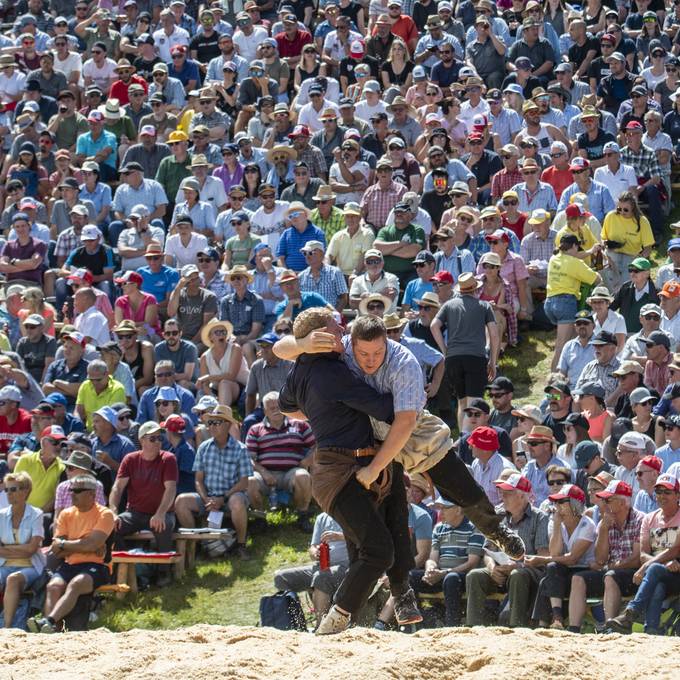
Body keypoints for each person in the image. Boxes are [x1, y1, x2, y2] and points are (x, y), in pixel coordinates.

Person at [465, 474, 550, 629]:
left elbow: (543, 555)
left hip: (529, 572)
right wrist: (492, 569)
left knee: (518, 575)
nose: (502, 496)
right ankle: (473, 626)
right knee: (474, 576)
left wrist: (518, 565)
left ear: (522, 496)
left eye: (508, 493)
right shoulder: (499, 516)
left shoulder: (540, 518)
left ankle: (516, 627)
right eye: (502, 492)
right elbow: (488, 551)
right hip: (502, 570)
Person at [174, 405, 253, 560]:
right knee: (181, 501)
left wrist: (223, 498)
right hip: (208, 498)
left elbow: (244, 483)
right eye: (210, 423)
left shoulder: (241, 449)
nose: (211, 427)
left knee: (237, 501)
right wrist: (207, 500)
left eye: (216, 423)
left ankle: (241, 544)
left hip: (230, 497)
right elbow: (198, 480)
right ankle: (195, 545)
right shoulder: (203, 448)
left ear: (227, 425)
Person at [607, 473, 680, 634]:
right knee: (657, 582)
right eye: (659, 492)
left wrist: (648, 565)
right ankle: (651, 631)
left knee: (653, 571)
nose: (662, 496)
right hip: (661, 573)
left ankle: (630, 614)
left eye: (667, 492)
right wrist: (661, 563)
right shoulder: (649, 519)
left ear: (677, 495)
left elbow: (676, 549)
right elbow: (643, 554)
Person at [567, 479, 643, 633]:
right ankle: (573, 629)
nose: (604, 503)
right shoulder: (606, 522)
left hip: (633, 574)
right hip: (612, 571)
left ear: (623, 503)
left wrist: (611, 566)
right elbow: (600, 559)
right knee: (578, 578)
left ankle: (611, 627)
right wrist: (603, 530)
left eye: (608, 500)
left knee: (610, 575)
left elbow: (636, 558)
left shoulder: (640, 519)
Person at [109, 421, 178, 586]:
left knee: (163, 524)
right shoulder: (130, 459)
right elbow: (118, 487)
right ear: (142, 440)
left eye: (160, 438)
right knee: (111, 525)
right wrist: (112, 511)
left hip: (162, 512)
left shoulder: (168, 458)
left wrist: (160, 513)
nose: (158, 442)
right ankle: (125, 566)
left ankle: (164, 572)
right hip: (135, 512)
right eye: (152, 438)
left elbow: (171, 489)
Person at [430, 273, 499, 430]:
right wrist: (493, 362)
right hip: (475, 357)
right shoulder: (484, 306)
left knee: (462, 401)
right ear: (475, 289)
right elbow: (494, 334)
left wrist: (445, 350)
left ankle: (463, 438)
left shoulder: (448, 305)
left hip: (453, 358)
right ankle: (472, 439)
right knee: (474, 403)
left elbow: (434, 326)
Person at [530, 483, 597, 629]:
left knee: (547, 577)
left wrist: (542, 559)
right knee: (552, 568)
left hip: (586, 570)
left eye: (561, 501)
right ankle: (556, 616)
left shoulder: (588, 525)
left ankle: (543, 624)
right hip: (566, 570)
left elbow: (573, 558)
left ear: (574, 504)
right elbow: (555, 553)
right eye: (555, 502)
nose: (557, 505)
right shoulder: (555, 522)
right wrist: (557, 525)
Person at [409, 498, 484, 627]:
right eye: (439, 508)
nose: (440, 512)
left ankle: (452, 625)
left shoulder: (474, 528)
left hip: (462, 577)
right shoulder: (439, 528)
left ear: (459, 510)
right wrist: (430, 569)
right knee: (410, 577)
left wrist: (444, 573)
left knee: (451, 579)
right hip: (441, 574)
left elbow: (472, 563)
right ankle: (416, 623)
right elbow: (432, 558)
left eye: (444, 508)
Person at [247, 391, 314, 526]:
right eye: (271, 408)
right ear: (264, 411)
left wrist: (307, 461)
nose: (275, 410)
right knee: (250, 481)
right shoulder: (255, 429)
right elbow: (248, 458)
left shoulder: (300, 424)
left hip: (292, 472)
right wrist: (264, 472)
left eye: (278, 406)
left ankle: (302, 516)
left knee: (303, 476)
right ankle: (260, 519)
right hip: (265, 474)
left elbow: (317, 446)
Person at [273, 512, 349, 627]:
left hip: (346, 566)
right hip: (322, 566)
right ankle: (294, 624)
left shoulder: (354, 513)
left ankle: (321, 628)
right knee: (281, 577)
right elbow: (313, 547)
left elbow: (365, 538)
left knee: (321, 577)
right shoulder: (322, 517)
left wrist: (340, 536)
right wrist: (315, 552)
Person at [0, 471, 45, 629]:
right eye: (7, 490)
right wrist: (22, 549)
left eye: (13, 489)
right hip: (4, 564)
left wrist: (7, 549)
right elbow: (26, 548)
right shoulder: (1, 515)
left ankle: (6, 628)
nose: (9, 494)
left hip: (31, 566)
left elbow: (32, 550)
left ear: (25, 491)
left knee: (13, 579)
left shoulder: (36, 514)